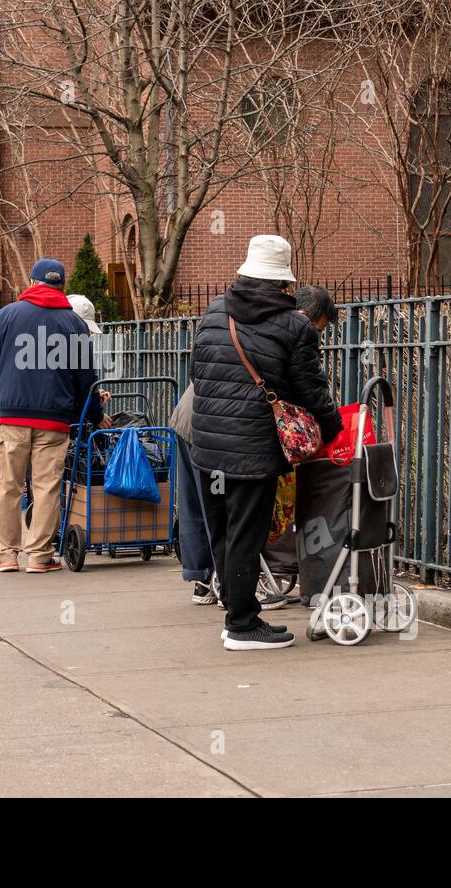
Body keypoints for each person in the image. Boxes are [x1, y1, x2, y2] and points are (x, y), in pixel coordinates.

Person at [190, 234, 342, 651]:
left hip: (207, 445)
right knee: (247, 534)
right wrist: (332, 429)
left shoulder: (213, 312)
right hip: (252, 449)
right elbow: (311, 390)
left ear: (245, 271)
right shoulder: (294, 325)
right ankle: (242, 624)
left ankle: (234, 613)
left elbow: (196, 375)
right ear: (284, 282)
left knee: (222, 532)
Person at [0, 258, 110, 574]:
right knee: (47, 487)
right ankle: (40, 555)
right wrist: (95, 415)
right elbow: (84, 378)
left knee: (8, 485)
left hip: (12, 415)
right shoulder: (74, 324)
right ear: (61, 286)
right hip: (54, 418)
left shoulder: (8, 315)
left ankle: (5, 555)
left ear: (33, 281)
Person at [171, 384, 286, 610]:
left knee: (195, 505)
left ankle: (202, 580)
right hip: (215, 430)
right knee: (224, 511)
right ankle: (232, 586)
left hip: (191, 416)